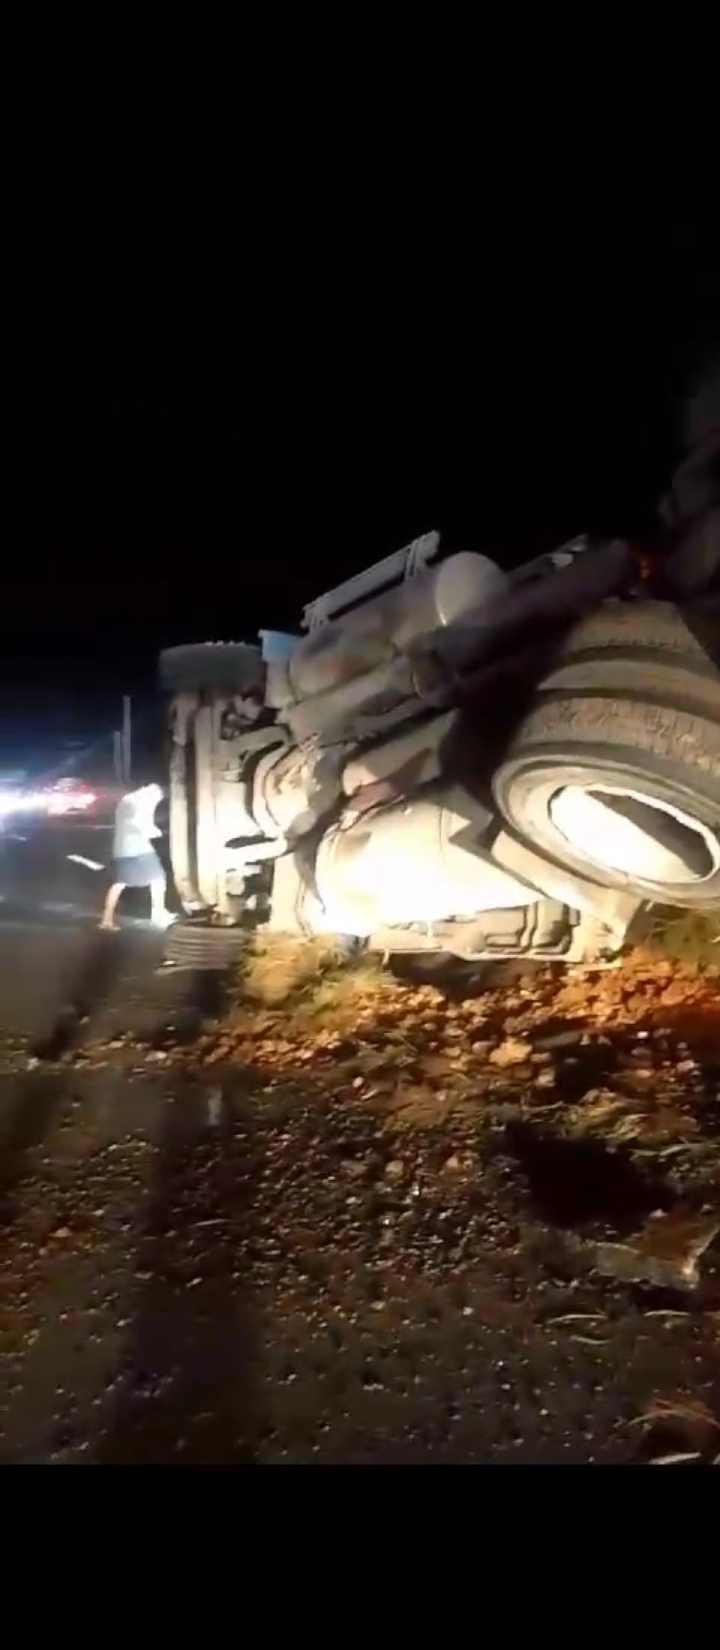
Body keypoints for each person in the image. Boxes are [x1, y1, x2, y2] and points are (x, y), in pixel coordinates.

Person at [100, 782, 175, 931]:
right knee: (158, 878)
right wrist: (155, 832)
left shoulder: (126, 800)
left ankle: (106, 920)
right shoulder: (145, 801)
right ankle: (158, 914)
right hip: (139, 848)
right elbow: (141, 823)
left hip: (121, 849)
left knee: (119, 883)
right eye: (159, 797)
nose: (158, 800)